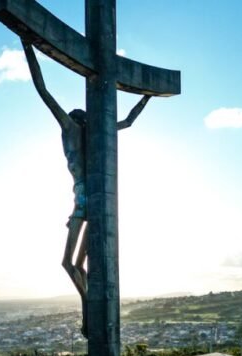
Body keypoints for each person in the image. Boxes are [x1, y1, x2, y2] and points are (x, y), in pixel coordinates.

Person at [22, 39, 151, 338]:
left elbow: (44, 92)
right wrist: (146, 98)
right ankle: (88, 307)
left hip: (82, 200)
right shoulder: (94, 133)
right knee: (77, 264)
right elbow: (128, 122)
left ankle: (87, 303)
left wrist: (27, 45)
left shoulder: (69, 130)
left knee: (70, 263)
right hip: (94, 200)